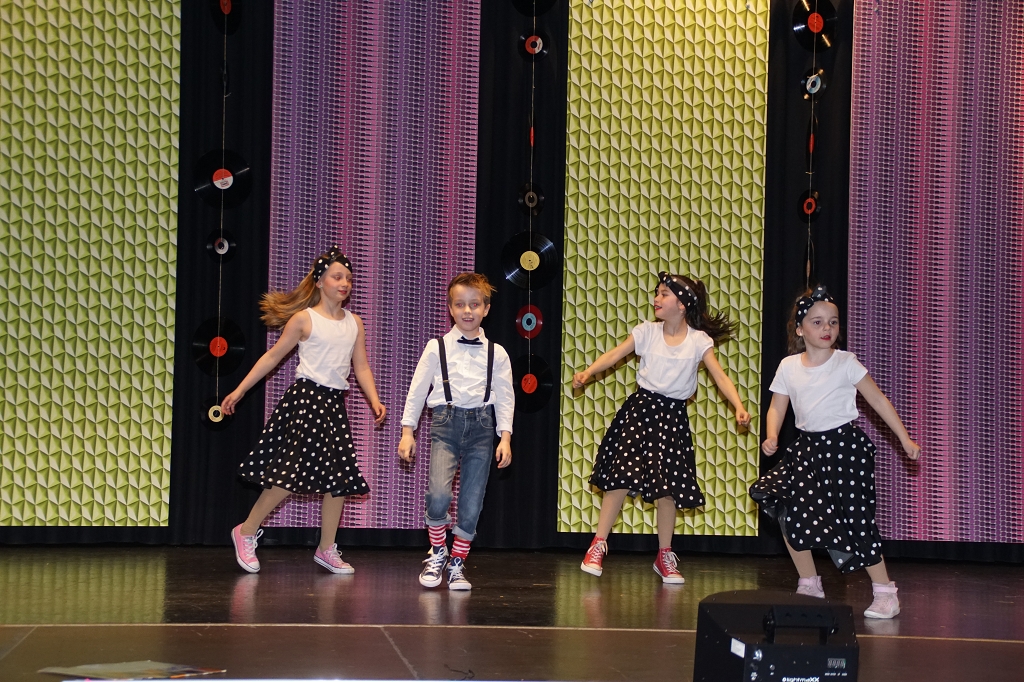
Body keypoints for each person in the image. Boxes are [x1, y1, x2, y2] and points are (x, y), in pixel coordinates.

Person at [750, 285, 921, 619]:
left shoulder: (845, 362)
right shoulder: (788, 366)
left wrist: (904, 439)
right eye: (817, 322)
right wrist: (771, 434)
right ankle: (809, 583)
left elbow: (877, 400)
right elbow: (777, 407)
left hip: (844, 449)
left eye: (833, 322)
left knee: (856, 519)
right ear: (800, 330)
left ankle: (885, 592)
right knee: (784, 504)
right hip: (806, 450)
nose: (826, 328)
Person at [572, 271, 751, 583]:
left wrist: (738, 405)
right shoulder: (647, 332)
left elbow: (720, 376)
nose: (657, 298)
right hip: (640, 411)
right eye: (657, 292)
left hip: (672, 418)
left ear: (682, 304)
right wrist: (588, 372)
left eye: (664, 294)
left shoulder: (699, 341)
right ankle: (598, 544)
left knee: (667, 488)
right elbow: (615, 354)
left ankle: (664, 554)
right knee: (621, 476)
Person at [221, 247, 386, 575]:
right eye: (337, 277)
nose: (344, 283)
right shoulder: (304, 319)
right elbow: (272, 357)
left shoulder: (354, 323)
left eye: (348, 278)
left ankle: (326, 548)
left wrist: (374, 398)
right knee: (289, 473)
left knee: (339, 479)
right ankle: (246, 530)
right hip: (306, 401)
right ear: (320, 281)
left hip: (334, 405)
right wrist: (239, 390)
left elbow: (361, 366)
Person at [398, 272, 514, 591]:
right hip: (445, 423)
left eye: (474, 304)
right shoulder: (436, 348)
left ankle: (458, 562)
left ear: (486, 309)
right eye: (460, 304)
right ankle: (438, 551)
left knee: (472, 502)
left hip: (482, 427)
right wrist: (408, 431)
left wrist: (505, 437)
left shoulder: (497, 353)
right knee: (438, 494)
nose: (467, 311)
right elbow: (417, 390)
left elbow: (506, 397)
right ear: (450, 308)